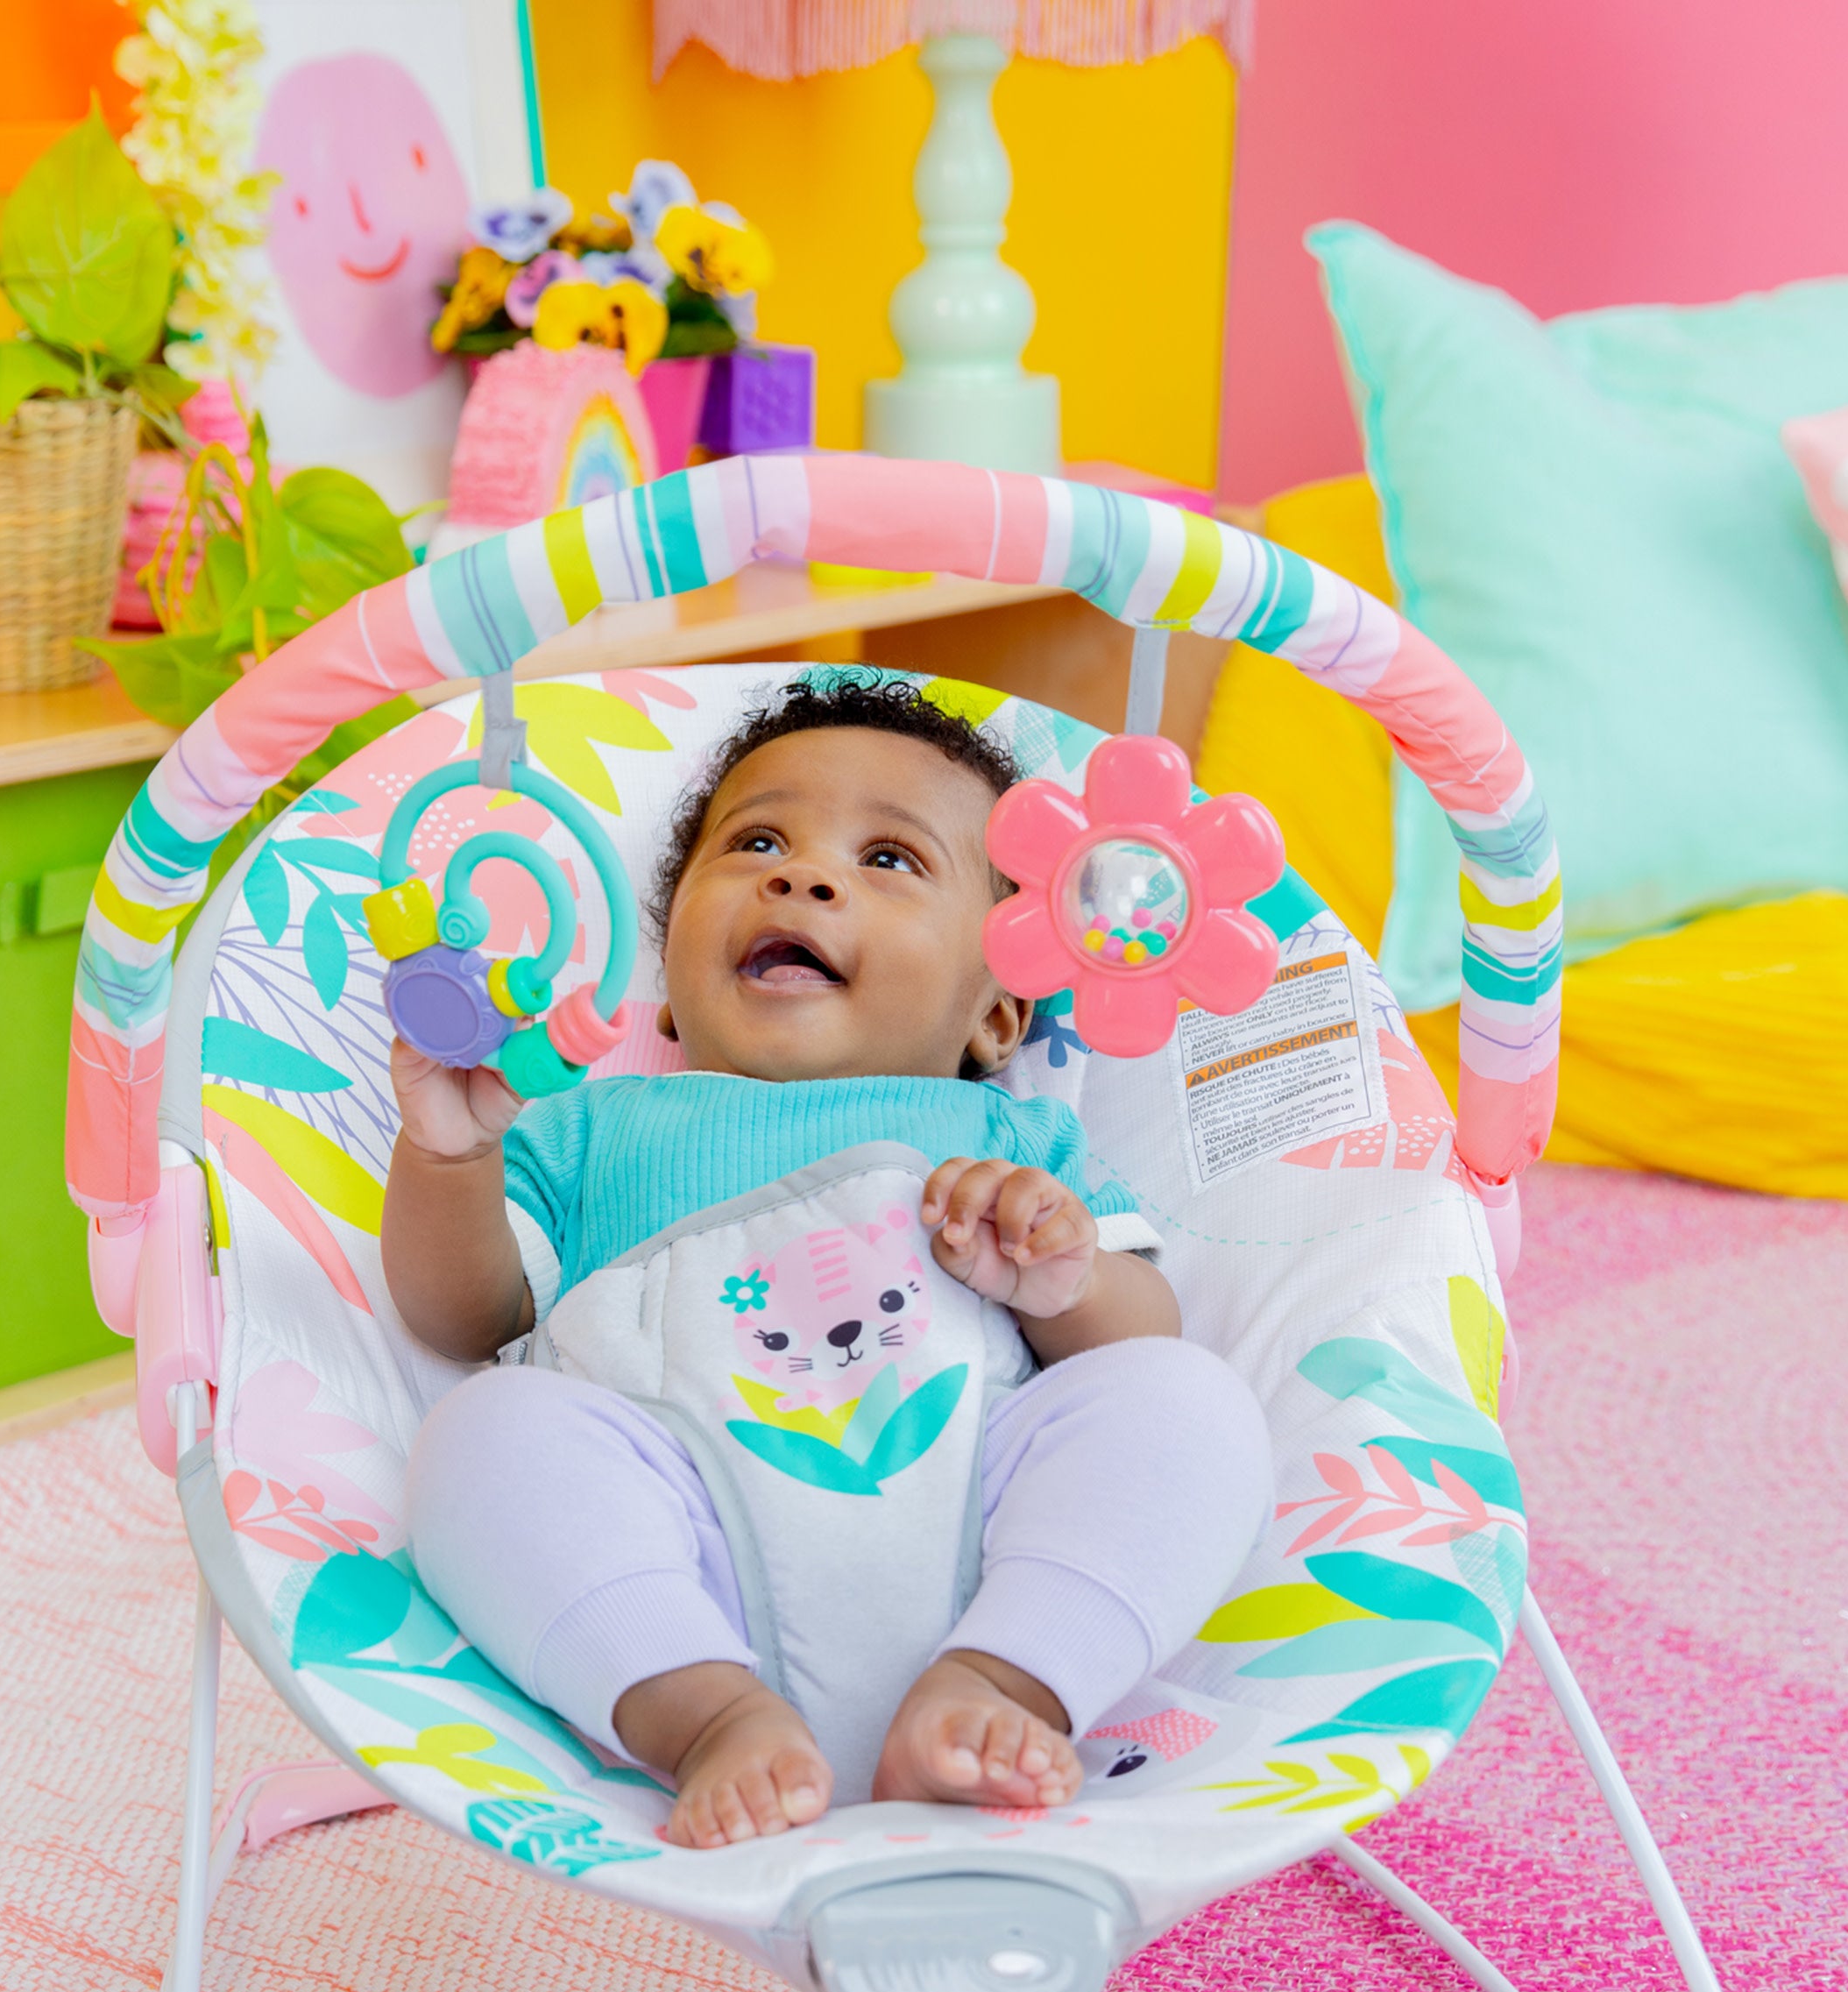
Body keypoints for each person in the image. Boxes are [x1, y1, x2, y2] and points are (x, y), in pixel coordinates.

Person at [388, 677, 1271, 1849]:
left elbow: (1138, 1342)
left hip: (984, 1543)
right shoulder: (591, 1127)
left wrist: (1062, 1280)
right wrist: (448, 1155)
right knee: (484, 1432)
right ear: (671, 976)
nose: (802, 878)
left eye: (890, 860)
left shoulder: (1012, 1141)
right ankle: (710, 1717)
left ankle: (1005, 1682)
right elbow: (464, 1318)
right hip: (681, 1555)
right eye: (757, 843)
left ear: (996, 1017)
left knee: (1189, 1402)